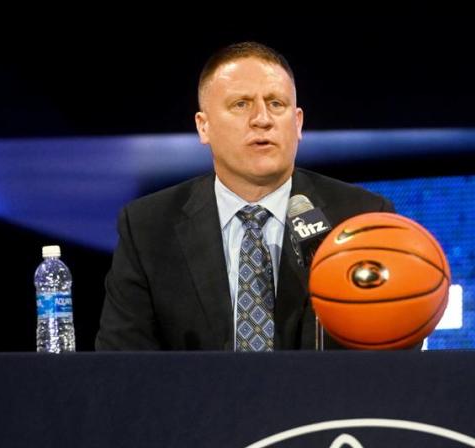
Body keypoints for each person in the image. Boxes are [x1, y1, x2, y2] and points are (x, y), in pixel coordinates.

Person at [96, 42, 395, 350]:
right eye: (241, 104)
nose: (262, 119)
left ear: (298, 122)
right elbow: (122, 362)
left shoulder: (363, 218)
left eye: (276, 104)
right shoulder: (148, 227)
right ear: (204, 126)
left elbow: (393, 344)